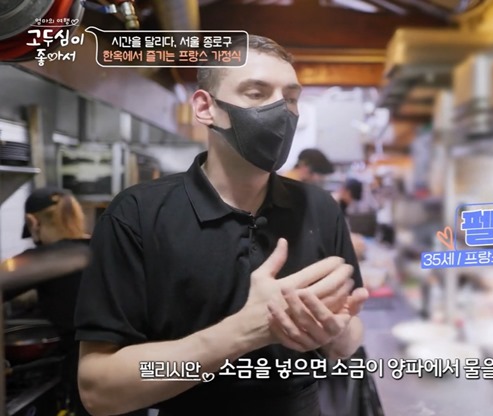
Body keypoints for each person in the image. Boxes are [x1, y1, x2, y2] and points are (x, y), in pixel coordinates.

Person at [73, 34, 368, 416]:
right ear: (205, 107)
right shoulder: (138, 214)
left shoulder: (319, 208)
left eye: (291, 98)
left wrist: (335, 334)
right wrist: (242, 332)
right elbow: (98, 389)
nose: (281, 110)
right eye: (257, 93)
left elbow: (349, 333)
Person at [4, 187, 91, 416]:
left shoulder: (46, 257)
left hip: (86, 365)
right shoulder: (98, 245)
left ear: (32, 222)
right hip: (129, 364)